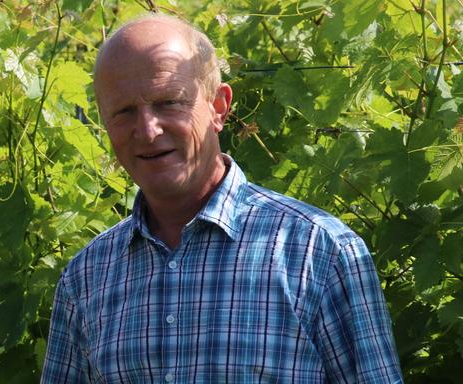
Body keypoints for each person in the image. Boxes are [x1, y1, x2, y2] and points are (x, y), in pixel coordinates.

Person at [41, 14, 402, 383]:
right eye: (124, 112)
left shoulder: (320, 253)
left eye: (168, 102)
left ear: (218, 106)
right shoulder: (85, 278)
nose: (147, 131)